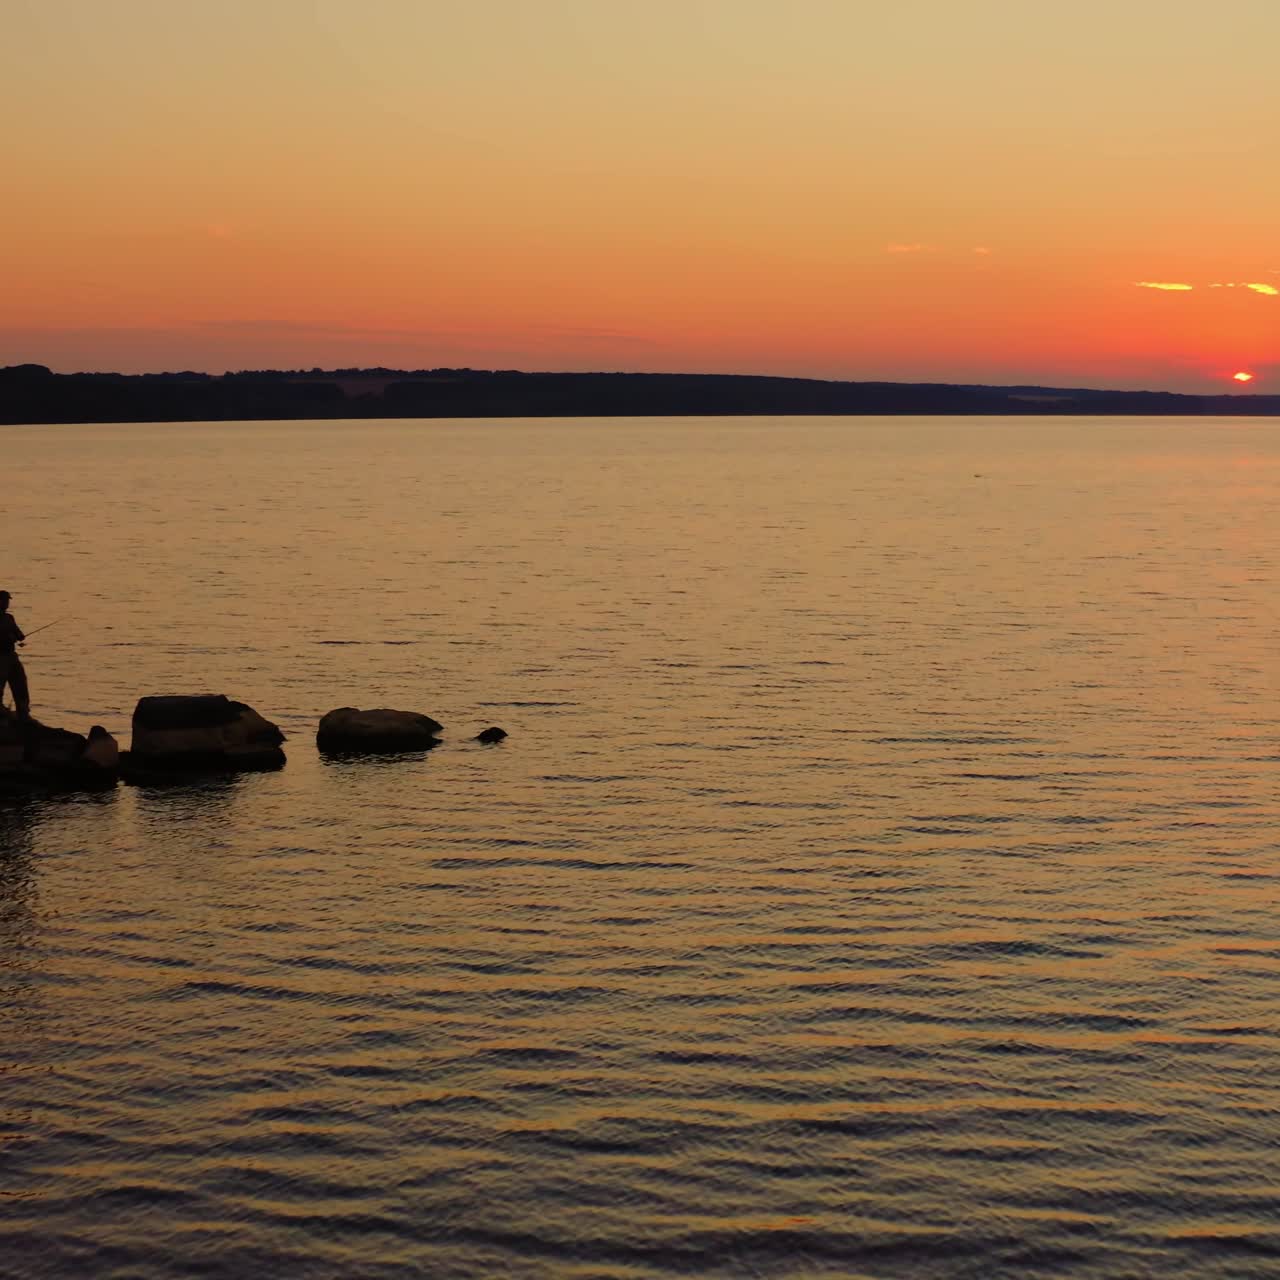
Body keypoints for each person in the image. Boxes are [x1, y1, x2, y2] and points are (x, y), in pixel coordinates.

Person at [0, 591, 30, 720]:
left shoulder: (9, 618)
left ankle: (23, 713)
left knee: (20, 683)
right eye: (4, 600)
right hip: (0, 657)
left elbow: (19, 634)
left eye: (8, 600)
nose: (7, 603)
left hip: (11, 656)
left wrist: (19, 636)